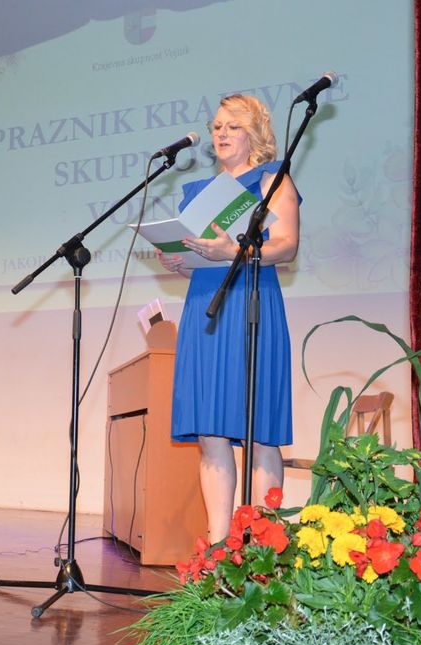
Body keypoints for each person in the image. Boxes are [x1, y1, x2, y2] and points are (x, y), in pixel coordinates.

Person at [156, 93, 300, 543]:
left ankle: (262, 545)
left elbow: (287, 246)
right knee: (211, 433)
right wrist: (181, 260)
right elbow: (203, 257)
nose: (220, 133)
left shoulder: (271, 179)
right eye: (216, 126)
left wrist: (233, 249)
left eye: (232, 126)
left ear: (254, 133)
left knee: (260, 431)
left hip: (251, 302)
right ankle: (218, 548)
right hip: (206, 308)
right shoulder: (200, 192)